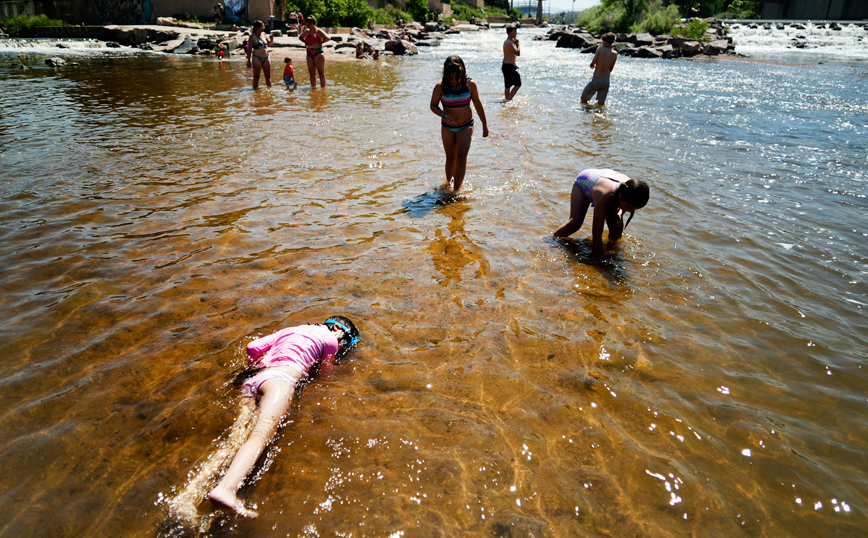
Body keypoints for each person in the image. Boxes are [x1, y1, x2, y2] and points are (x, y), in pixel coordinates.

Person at [207, 316, 361, 517]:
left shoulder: (292, 329)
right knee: (260, 434)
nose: (340, 348)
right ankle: (226, 489)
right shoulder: (330, 340)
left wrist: (256, 367)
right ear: (340, 334)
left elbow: (252, 347)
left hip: (253, 379)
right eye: (344, 345)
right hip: (280, 382)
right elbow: (325, 376)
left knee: (238, 435)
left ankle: (207, 479)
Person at [552, 169, 650, 255]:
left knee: (616, 227)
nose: (630, 211)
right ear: (620, 196)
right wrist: (598, 257)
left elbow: (623, 207)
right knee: (575, 223)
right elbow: (597, 232)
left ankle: (611, 250)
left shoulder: (631, 189)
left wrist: (619, 215)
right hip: (584, 182)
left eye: (634, 210)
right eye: (629, 208)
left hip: (609, 188)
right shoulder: (605, 195)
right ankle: (551, 240)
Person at [429, 56, 489, 193]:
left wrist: (485, 125)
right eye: (451, 77)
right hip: (447, 127)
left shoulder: (470, 85)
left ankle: (455, 191)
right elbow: (433, 105)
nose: (454, 81)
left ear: (463, 72)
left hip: (465, 125)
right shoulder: (440, 87)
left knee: (461, 158)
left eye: (457, 77)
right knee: (451, 158)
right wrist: (444, 115)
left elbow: (478, 105)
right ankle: (448, 184)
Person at [581, 32, 618, 106]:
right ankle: (599, 116)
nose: (602, 43)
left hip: (596, 79)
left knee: (583, 98)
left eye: (603, 41)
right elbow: (611, 69)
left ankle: (587, 113)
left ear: (606, 41)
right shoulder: (615, 53)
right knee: (601, 103)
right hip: (606, 81)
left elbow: (593, 63)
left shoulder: (600, 49)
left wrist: (592, 66)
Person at [299, 16, 330, 89]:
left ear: (313, 23)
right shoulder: (307, 31)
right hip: (309, 52)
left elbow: (328, 37)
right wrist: (305, 42)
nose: (307, 27)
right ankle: (313, 89)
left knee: (321, 73)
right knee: (312, 73)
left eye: (308, 25)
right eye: (306, 25)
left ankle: (323, 89)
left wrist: (321, 42)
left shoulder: (318, 31)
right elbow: (300, 37)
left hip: (318, 52)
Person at [246, 20, 274, 89]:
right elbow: (249, 50)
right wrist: (249, 61)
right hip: (256, 58)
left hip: (266, 57)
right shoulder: (252, 37)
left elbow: (269, 44)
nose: (264, 26)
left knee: (268, 77)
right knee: (256, 77)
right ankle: (256, 93)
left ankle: (269, 91)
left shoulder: (264, 34)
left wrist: (271, 39)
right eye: (262, 25)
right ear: (258, 27)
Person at [502, 24, 521, 101]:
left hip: (505, 65)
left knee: (507, 85)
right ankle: (508, 100)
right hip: (510, 66)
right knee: (518, 84)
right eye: (515, 31)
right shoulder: (510, 42)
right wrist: (518, 44)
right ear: (510, 32)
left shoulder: (507, 41)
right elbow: (518, 53)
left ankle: (507, 98)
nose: (516, 33)